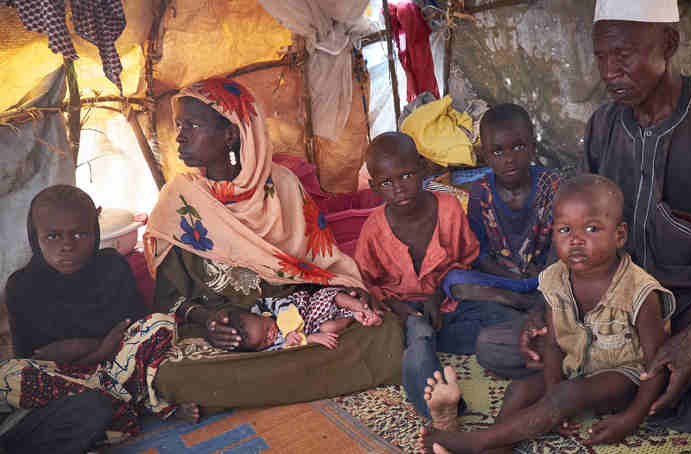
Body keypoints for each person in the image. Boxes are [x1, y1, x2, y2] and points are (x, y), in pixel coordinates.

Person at [479, 0, 691, 435]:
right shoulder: (602, 125)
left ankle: (623, 382)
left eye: (623, 55)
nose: (610, 72)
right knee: (498, 344)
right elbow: (580, 233)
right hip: (610, 312)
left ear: (669, 42)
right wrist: (548, 306)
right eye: (600, 57)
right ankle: (631, 381)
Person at [144, 78, 403, 409]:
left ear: (232, 133)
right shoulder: (178, 202)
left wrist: (348, 293)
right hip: (232, 338)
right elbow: (170, 300)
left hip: (300, 323)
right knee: (172, 373)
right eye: (179, 125)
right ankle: (309, 375)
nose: (179, 136)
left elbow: (321, 264)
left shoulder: (282, 185)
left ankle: (249, 388)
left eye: (192, 125)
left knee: (383, 330)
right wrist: (208, 322)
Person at [420, 175, 676, 453]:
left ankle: (473, 442)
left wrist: (632, 418)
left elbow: (657, 365)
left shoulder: (640, 291)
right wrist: (553, 393)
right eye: (565, 230)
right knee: (521, 390)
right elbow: (554, 343)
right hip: (577, 370)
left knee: (568, 393)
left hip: (624, 379)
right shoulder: (555, 278)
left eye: (591, 228)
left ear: (620, 235)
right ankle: (497, 449)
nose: (576, 240)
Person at [2, 185, 196, 454]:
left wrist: (80, 349)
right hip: (68, 383)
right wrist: (100, 347)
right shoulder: (21, 286)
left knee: (159, 324)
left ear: (95, 234)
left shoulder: (111, 266)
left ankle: (116, 414)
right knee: (7, 376)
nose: (67, 246)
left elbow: (135, 329)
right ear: (35, 238)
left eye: (80, 234)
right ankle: (137, 405)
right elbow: (30, 361)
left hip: (122, 369)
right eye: (53, 236)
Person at [354, 132, 520, 430]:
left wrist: (436, 297)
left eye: (406, 175)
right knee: (419, 337)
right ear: (374, 187)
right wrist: (402, 309)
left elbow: (464, 257)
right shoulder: (373, 230)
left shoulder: (448, 207)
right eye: (387, 183)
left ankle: (434, 345)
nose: (399, 188)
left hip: (446, 301)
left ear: (422, 168)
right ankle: (442, 411)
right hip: (404, 310)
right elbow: (367, 283)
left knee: (500, 316)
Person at [443, 104, 560, 312]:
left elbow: (563, 238)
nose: (509, 159)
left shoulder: (551, 184)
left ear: (533, 147)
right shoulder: (481, 191)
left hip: (545, 276)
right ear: (485, 156)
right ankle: (520, 301)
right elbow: (478, 250)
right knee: (454, 280)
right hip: (503, 278)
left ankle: (525, 298)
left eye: (518, 147)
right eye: (497, 151)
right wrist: (508, 275)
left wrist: (544, 271)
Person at [226, 289, 381, 351]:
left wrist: (287, 330)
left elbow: (283, 305)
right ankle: (352, 317)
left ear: (261, 317)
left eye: (267, 329)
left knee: (336, 297)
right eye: (265, 341)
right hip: (313, 326)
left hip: (310, 306)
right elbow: (283, 347)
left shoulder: (263, 308)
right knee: (329, 329)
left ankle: (365, 310)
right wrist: (309, 338)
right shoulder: (275, 345)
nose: (271, 336)